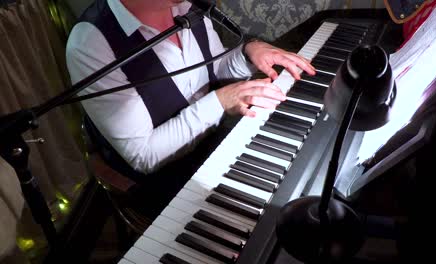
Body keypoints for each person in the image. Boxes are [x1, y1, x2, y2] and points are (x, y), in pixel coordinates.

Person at [66, 0, 315, 217]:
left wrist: (249, 53)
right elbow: (144, 155)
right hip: (161, 182)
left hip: (214, 146)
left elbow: (214, 67)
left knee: (294, 181)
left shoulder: (184, 5)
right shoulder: (90, 44)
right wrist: (220, 101)